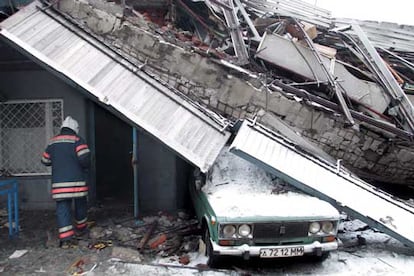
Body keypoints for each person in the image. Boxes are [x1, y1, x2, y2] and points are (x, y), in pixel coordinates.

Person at [41, 116, 91, 248]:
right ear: (75, 128)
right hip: (77, 184)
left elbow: (45, 161)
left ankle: (66, 239)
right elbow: (85, 159)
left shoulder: (52, 142)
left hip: (59, 186)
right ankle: (81, 228)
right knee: (80, 204)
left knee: (63, 209)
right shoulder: (78, 140)